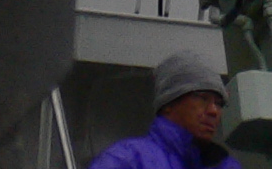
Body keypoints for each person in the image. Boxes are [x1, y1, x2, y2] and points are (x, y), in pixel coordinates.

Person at [88, 51, 229, 169]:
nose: (214, 111)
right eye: (203, 98)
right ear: (168, 103)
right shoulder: (127, 160)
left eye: (219, 103)